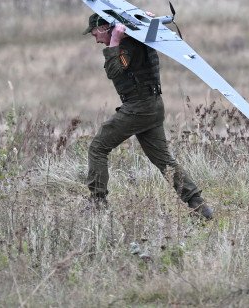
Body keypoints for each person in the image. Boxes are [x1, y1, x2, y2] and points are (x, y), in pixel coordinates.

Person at [84, 13, 213, 219]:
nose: (97, 39)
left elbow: (114, 72)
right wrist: (141, 18)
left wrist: (115, 41)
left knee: (98, 148)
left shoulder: (128, 45)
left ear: (106, 27)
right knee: (164, 162)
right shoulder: (140, 36)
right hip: (152, 107)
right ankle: (199, 205)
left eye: (96, 33)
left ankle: (97, 203)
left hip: (139, 108)